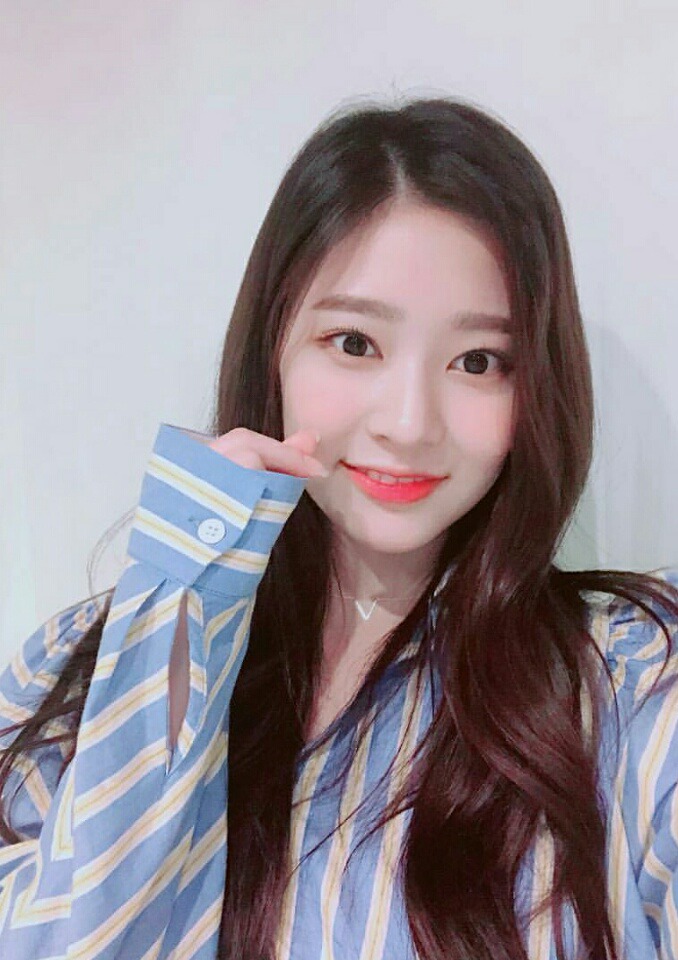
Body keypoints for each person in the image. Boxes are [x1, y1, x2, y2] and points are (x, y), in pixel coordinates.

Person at [0, 96, 676, 960]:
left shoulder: (634, 675)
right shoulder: (75, 675)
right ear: (273, 348)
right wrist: (186, 592)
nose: (409, 423)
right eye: (355, 343)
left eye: (478, 361)